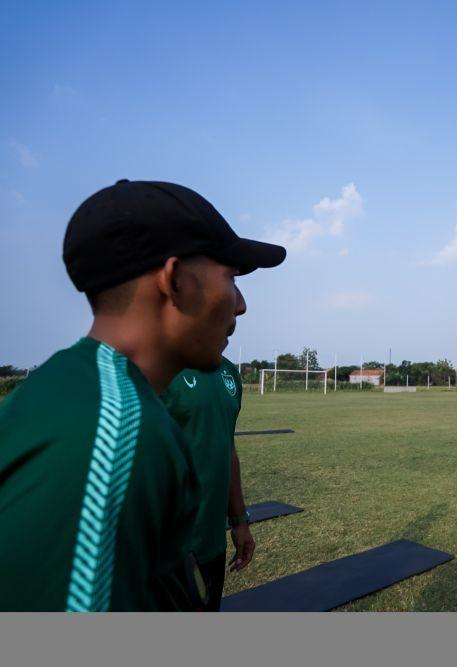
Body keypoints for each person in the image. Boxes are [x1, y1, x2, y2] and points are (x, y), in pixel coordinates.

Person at [0, 179, 285, 611]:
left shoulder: (76, 389)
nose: (240, 304)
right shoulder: (109, 436)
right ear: (173, 281)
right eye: (230, 277)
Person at [161, 356, 254, 611]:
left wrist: (239, 521)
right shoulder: (156, 365)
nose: (240, 312)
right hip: (164, 554)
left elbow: (228, 448)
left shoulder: (229, 373)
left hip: (212, 544)